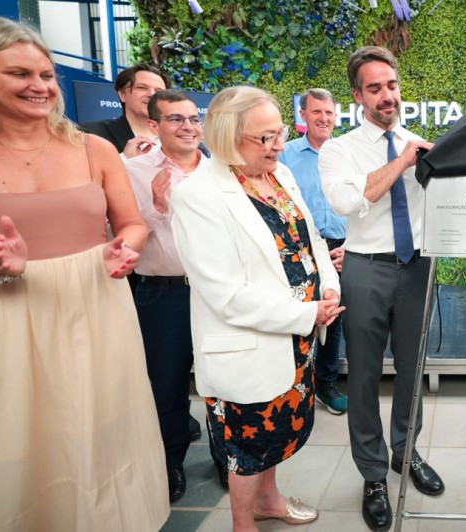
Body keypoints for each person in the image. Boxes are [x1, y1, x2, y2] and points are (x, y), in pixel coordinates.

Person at [0, 16, 169, 531]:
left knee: (100, 431)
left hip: (96, 306)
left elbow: (132, 226)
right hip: (4, 318)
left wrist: (122, 251)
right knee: (15, 440)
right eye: (19, 73)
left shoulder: (94, 149)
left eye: (45, 74)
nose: (39, 86)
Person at [170, 85, 342, 531]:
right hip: (252, 340)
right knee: (246, 447)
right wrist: (306, 314)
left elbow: (312, 239)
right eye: (265, 138)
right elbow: (224, 293)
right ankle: (242, 523)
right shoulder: (198, 196)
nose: (279, 145)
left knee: (280, 432)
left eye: (280, 133)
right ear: (228, 137)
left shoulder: (279, 175)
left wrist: (328, 286)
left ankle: (269, 500)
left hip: (296, 338)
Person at [318, 45, 443, 532]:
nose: (387, 95)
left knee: (412, 370)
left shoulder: (420, 142)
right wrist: (404, 161)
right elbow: (350, 200)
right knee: (365, 375)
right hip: (366, 269)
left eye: (391, 85)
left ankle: (405, 454)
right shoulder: (340, 149)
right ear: (358, 95)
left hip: (417, 267)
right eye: (375, 88)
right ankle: (372, 475)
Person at [122, 88, 227, 500]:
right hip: (161, 296)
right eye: (176, 120)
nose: (188, 127)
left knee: (219, 383)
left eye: (193, 119)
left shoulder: (219, 170)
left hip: (214, 296)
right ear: (154, 125)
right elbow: (119, 235)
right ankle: (170, 464)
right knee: (166, 387)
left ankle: (225, 459)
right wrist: (157, 206)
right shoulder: (131, 170)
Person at [279, 88, 348, 416]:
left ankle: (326, 385)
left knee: (333, 319)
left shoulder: (347, 153)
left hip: (343, 250)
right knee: (299, 319)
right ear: (302, 116)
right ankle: (296, 388)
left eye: (329, 113)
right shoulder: (285, 156)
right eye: (316, 112)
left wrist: (351, 245)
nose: (324, 118)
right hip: (299, 251)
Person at [81, 64, 169, 156]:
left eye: (159, 91)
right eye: (142, 88)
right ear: (122, 95)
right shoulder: (91, 134)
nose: (152, 94)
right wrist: (126, 160)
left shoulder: (179, 137)